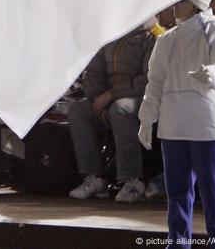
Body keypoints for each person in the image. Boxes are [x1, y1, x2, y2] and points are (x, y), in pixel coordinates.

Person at [138, 0, 215, 248]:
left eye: (181, 1)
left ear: (196, 2)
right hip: (173, 126)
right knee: (178, 193)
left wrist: (213, 73)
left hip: (207, 123)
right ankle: (178, 243)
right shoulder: (166, 39)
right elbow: (155, 81)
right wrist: (147, 116)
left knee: (213, 191)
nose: (175, 6)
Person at [68, 20, 161, 202]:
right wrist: (97, 100)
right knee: (79, 111)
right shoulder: (110, 38)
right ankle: (94, 178)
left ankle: (132, 179)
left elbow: (147, 80)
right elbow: (94, 73)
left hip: (140, 98)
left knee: (121, 109)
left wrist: (112, 95)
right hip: (108, 99)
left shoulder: (153, 38)